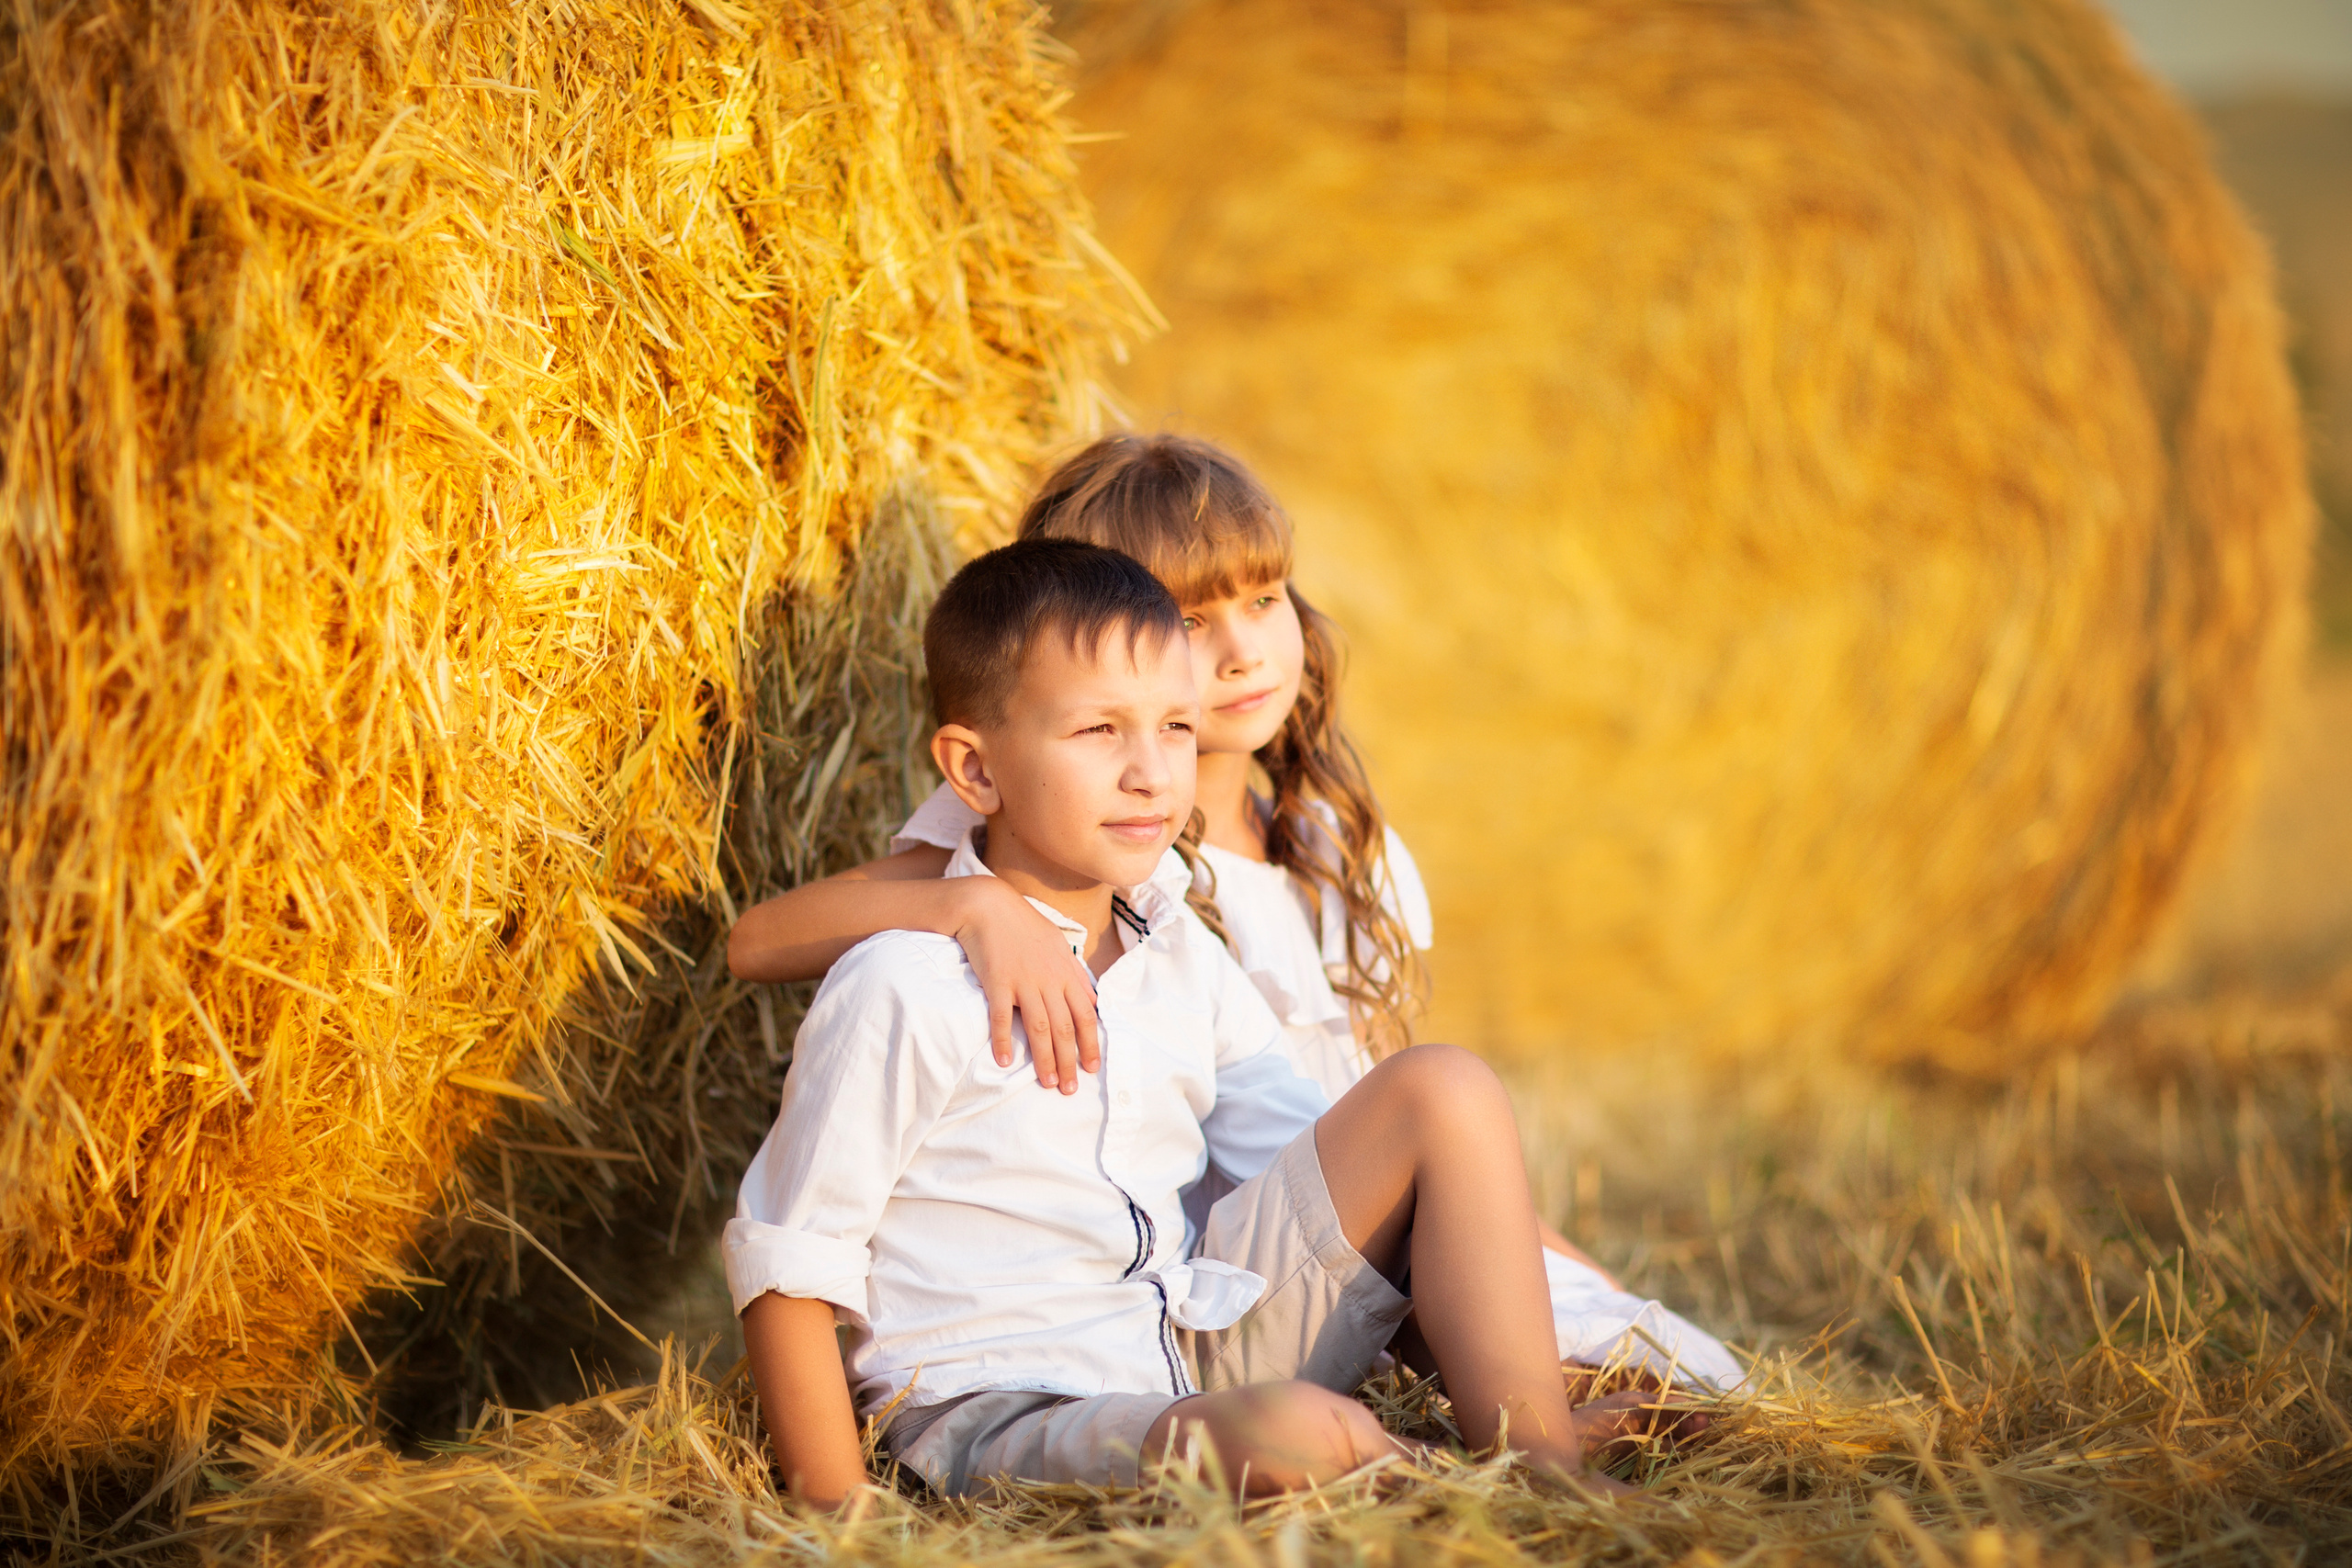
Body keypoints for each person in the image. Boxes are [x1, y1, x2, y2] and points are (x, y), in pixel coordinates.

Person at [729, 434, 1746, 1393]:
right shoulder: (1083, 844)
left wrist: (1555, 1255)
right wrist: (971, 902)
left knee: (1679, 1372)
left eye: (1264, 600)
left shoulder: (1334, 843)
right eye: (1189, 621)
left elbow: (1397, 1096)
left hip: (1373, 1203)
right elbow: (757, 940)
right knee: (1565, 1382)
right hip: (1236, 1280)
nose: (1242, 651)